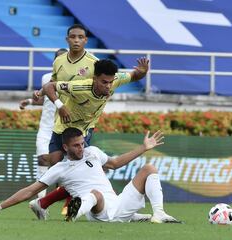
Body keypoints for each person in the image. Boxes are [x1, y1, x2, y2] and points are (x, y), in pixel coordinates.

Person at [0, 127, 182, 224]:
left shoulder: (93, 152)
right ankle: (74, 214)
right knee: (95, 193)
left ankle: (159, 214)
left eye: (82, 143)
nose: (81, 148)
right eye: (76, 145)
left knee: (149, 169)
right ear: (65, 147)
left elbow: (116, 163)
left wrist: (143, 148)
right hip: (97, 211)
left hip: (118, 204)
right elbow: (29, 191)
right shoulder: (59, 169)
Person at [29, 58, 149, 219]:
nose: (108, 86)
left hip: (83, 132)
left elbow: (135, 75)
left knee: (87, 172)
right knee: (62, 170)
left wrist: (142, 72)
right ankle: (43, 203)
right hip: (62, 129)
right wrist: (58, 104)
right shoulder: (79, 86)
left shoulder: (115, 80)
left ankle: (111, 208)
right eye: (104, 82)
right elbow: (49, 86)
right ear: (94, 79)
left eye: (110, 82)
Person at [19, 48, 68, 199]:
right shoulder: (46, 77)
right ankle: (40, 202)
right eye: (58, 59)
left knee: (58, 165)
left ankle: (61, 200)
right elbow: (46, 98)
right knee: (42, 159)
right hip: (46, 127)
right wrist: (29, 101)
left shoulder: (73, 80)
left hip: (63, 128)